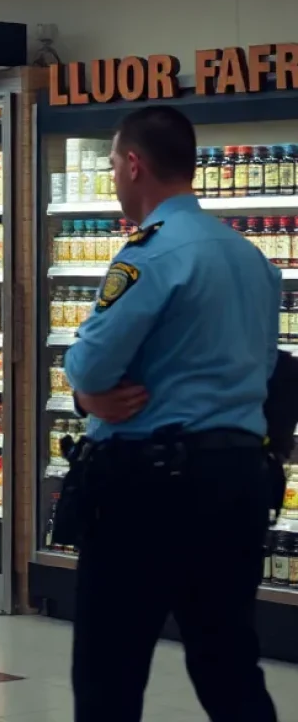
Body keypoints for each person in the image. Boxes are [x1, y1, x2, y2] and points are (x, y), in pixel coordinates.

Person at [64, 105, 279, 722]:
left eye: (111, 164)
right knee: (229, 662)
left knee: (109, 668)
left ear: (134, 165)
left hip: (147, 492)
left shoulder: (149, 255)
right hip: (237, 485)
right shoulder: (251, 259)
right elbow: (264, 369)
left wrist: (86, 397)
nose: (112, 176)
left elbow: (90, 367)